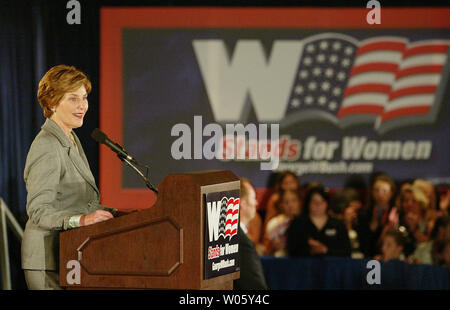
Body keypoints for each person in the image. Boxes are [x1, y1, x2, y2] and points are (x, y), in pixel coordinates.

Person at [22, 65, 116, 290]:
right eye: (73, 99)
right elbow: (38, 210)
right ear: (52, 102)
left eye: (84, 98)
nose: (82, 105)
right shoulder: (47, 145)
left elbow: (78, 201)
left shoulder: (70, 138)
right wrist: (81, 220)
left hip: (67, 255)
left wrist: (117, 215)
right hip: (47, 261)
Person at [287, 185, 351, 257]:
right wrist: (309, 249)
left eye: (322, 201)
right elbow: (291, 251)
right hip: (304, 266)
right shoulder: (297, 224)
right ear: (308, 203)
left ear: (327, 203)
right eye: (314, 201)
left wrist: (325, 250)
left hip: (333, 267)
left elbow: (347, 252)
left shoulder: (338, 224)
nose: (318, 205)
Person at [233, 178, 268, 290]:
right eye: (253, 198)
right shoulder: (241, 241)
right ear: (242, 204)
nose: (256, 203)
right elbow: (254, 285)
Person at [357, 173, 396, 257]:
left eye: (384, 191)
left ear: (391, 192)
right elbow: (362, 243)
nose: (380, 194)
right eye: (376, 190)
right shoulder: (364, 213)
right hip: (370, 257)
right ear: (372, 192)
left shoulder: (397, 212)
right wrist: (371, 228)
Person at [262, 189, 302, 257]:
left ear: (300, 202)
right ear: (281, 205)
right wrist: (273, 246)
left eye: (294, 201)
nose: (291, 205)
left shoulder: (306, 222)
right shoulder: (273, 223)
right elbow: (266, 249)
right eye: (286, 202)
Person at [330, 188, 364, 258]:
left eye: (356, 210)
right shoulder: (332, 228)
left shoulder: (360, 226)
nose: (355, 214)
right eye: (353, 209)